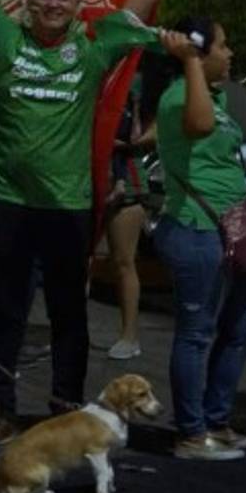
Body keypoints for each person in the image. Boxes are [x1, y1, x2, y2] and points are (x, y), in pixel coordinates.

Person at [0, 0, 208, 448]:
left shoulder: (95, 45)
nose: (55, 4)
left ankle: (65, 407)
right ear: (30, 3)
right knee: (5, 315)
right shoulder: (2, 37)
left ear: (76, 2)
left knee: (69, 315)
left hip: (68, 207)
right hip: (9, 204)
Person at [152, 18, 246, 460]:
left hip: (238, 220)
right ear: (198, 52)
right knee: (197, 333)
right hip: (198, 226)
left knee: (243, 323)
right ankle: (191, 434)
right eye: (223, 45)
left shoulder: (215, 94)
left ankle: (217, 419)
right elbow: (197, 125)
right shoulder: (183, 94)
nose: (230, 53)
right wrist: (191, 61)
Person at [105, 75, 154, 360]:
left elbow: (147, 132)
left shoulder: (137, 76)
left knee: (123, 259)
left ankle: (129, 335)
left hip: (128, 177)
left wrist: (125, 142)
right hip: (87, 172)